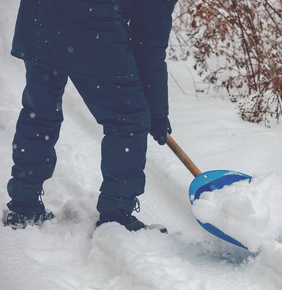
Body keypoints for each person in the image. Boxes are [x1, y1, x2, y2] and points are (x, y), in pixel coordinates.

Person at [3, 0, 178, 231]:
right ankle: (116, 218)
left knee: (40, 112)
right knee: (129, 119)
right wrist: (156, 114)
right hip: (91, 23)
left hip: (39, 16)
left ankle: (23, 205)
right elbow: (148, 43)